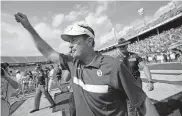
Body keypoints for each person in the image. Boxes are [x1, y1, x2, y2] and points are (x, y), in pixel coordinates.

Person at [14, 12, 159, 116]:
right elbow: (47, 51)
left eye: (73, 40)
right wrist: (28, 27)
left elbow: (142, 101)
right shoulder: (72, 62)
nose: (69, 46)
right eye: (69, 41)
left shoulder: (114, 67)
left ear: (89, 41)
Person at [116, 38, 154, 116]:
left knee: (140, 101)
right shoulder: (116, 59)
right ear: (118, 48)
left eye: (123, 45)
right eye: (120, 46)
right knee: (130, 105)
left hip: (136, 81)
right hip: (125, 84)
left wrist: (150, 81)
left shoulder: (134, 56)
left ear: (127, 45)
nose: (122, 47)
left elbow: (144, 67)